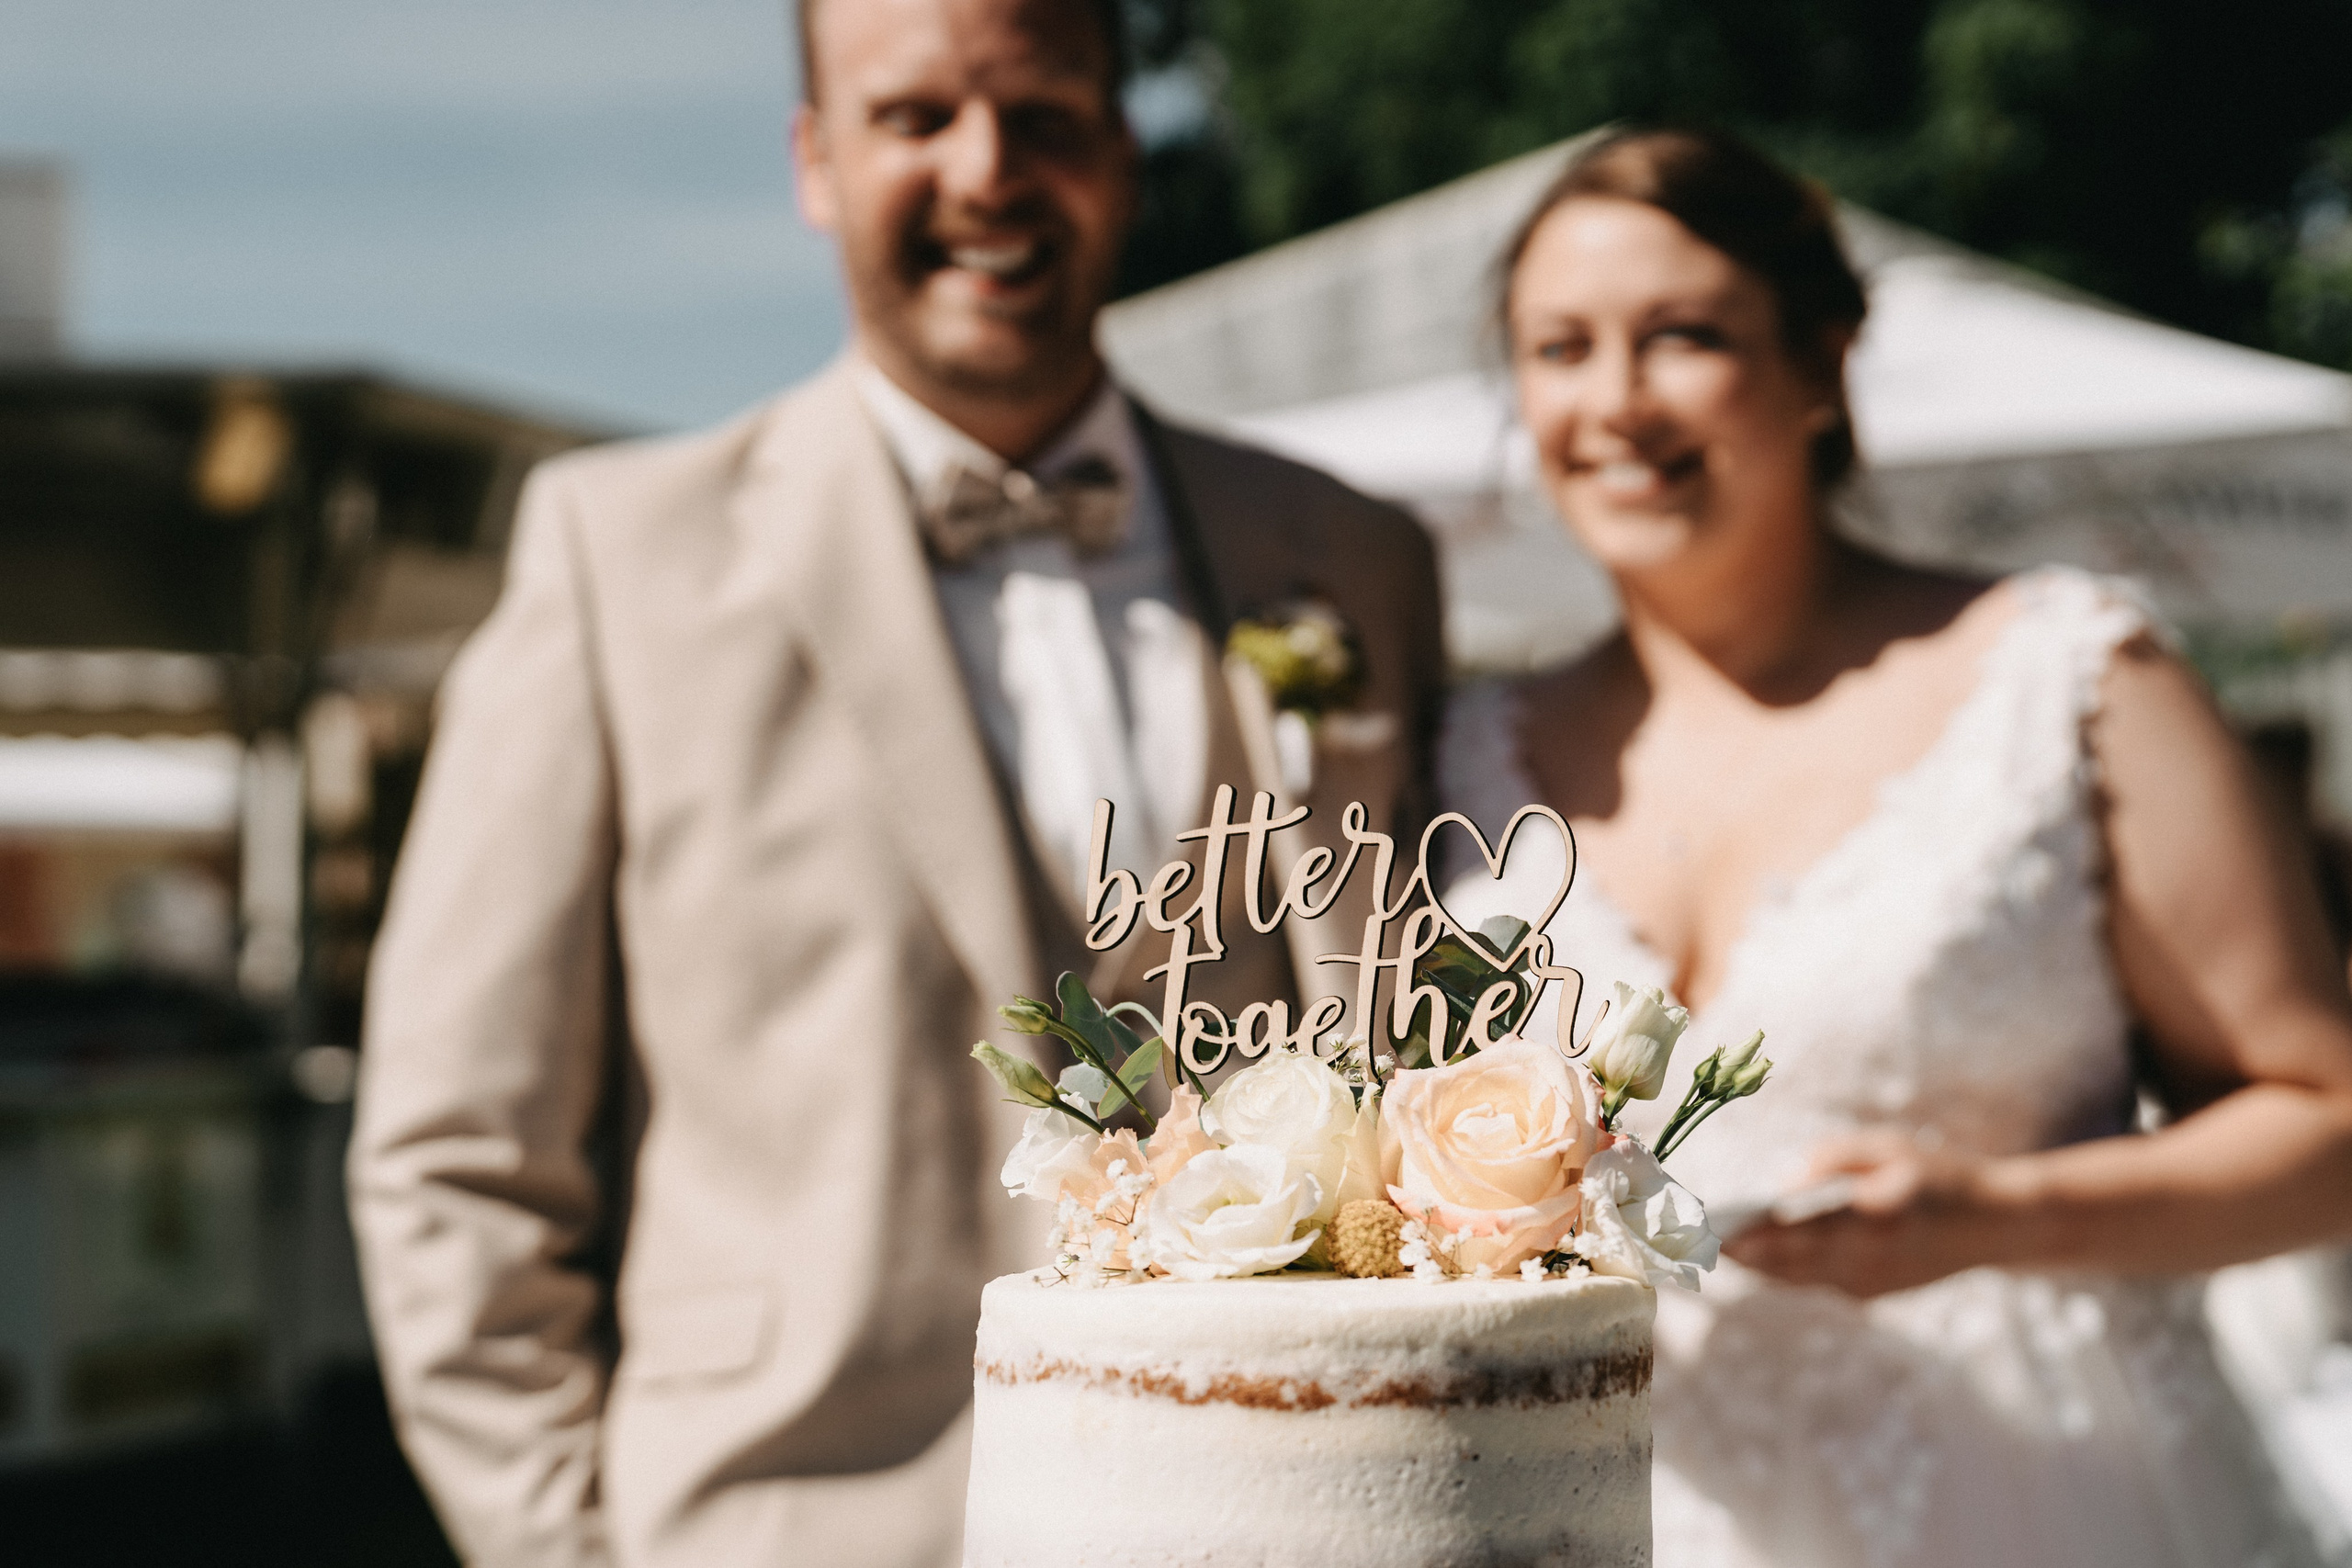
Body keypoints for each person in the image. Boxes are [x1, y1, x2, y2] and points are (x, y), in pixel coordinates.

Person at [345, 1, 1444, 1562]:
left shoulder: (1349, 559)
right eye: (916, 117)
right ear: (814, 161)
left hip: (1277, 1517)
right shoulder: (617, 557)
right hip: (784, 1520)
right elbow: (456, 1152)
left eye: (1045, 119)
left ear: (1123, 160)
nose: (987, 173)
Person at [1441, 126, 2352, 1567]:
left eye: (1682, 337)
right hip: (1630, 1506)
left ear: (1820, 363)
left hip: (2044, 1498)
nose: (1613, 402)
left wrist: (2000, 1215)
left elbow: (2327, 1124)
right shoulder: (1469, 752)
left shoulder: (2068, 678)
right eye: (1560, 349)